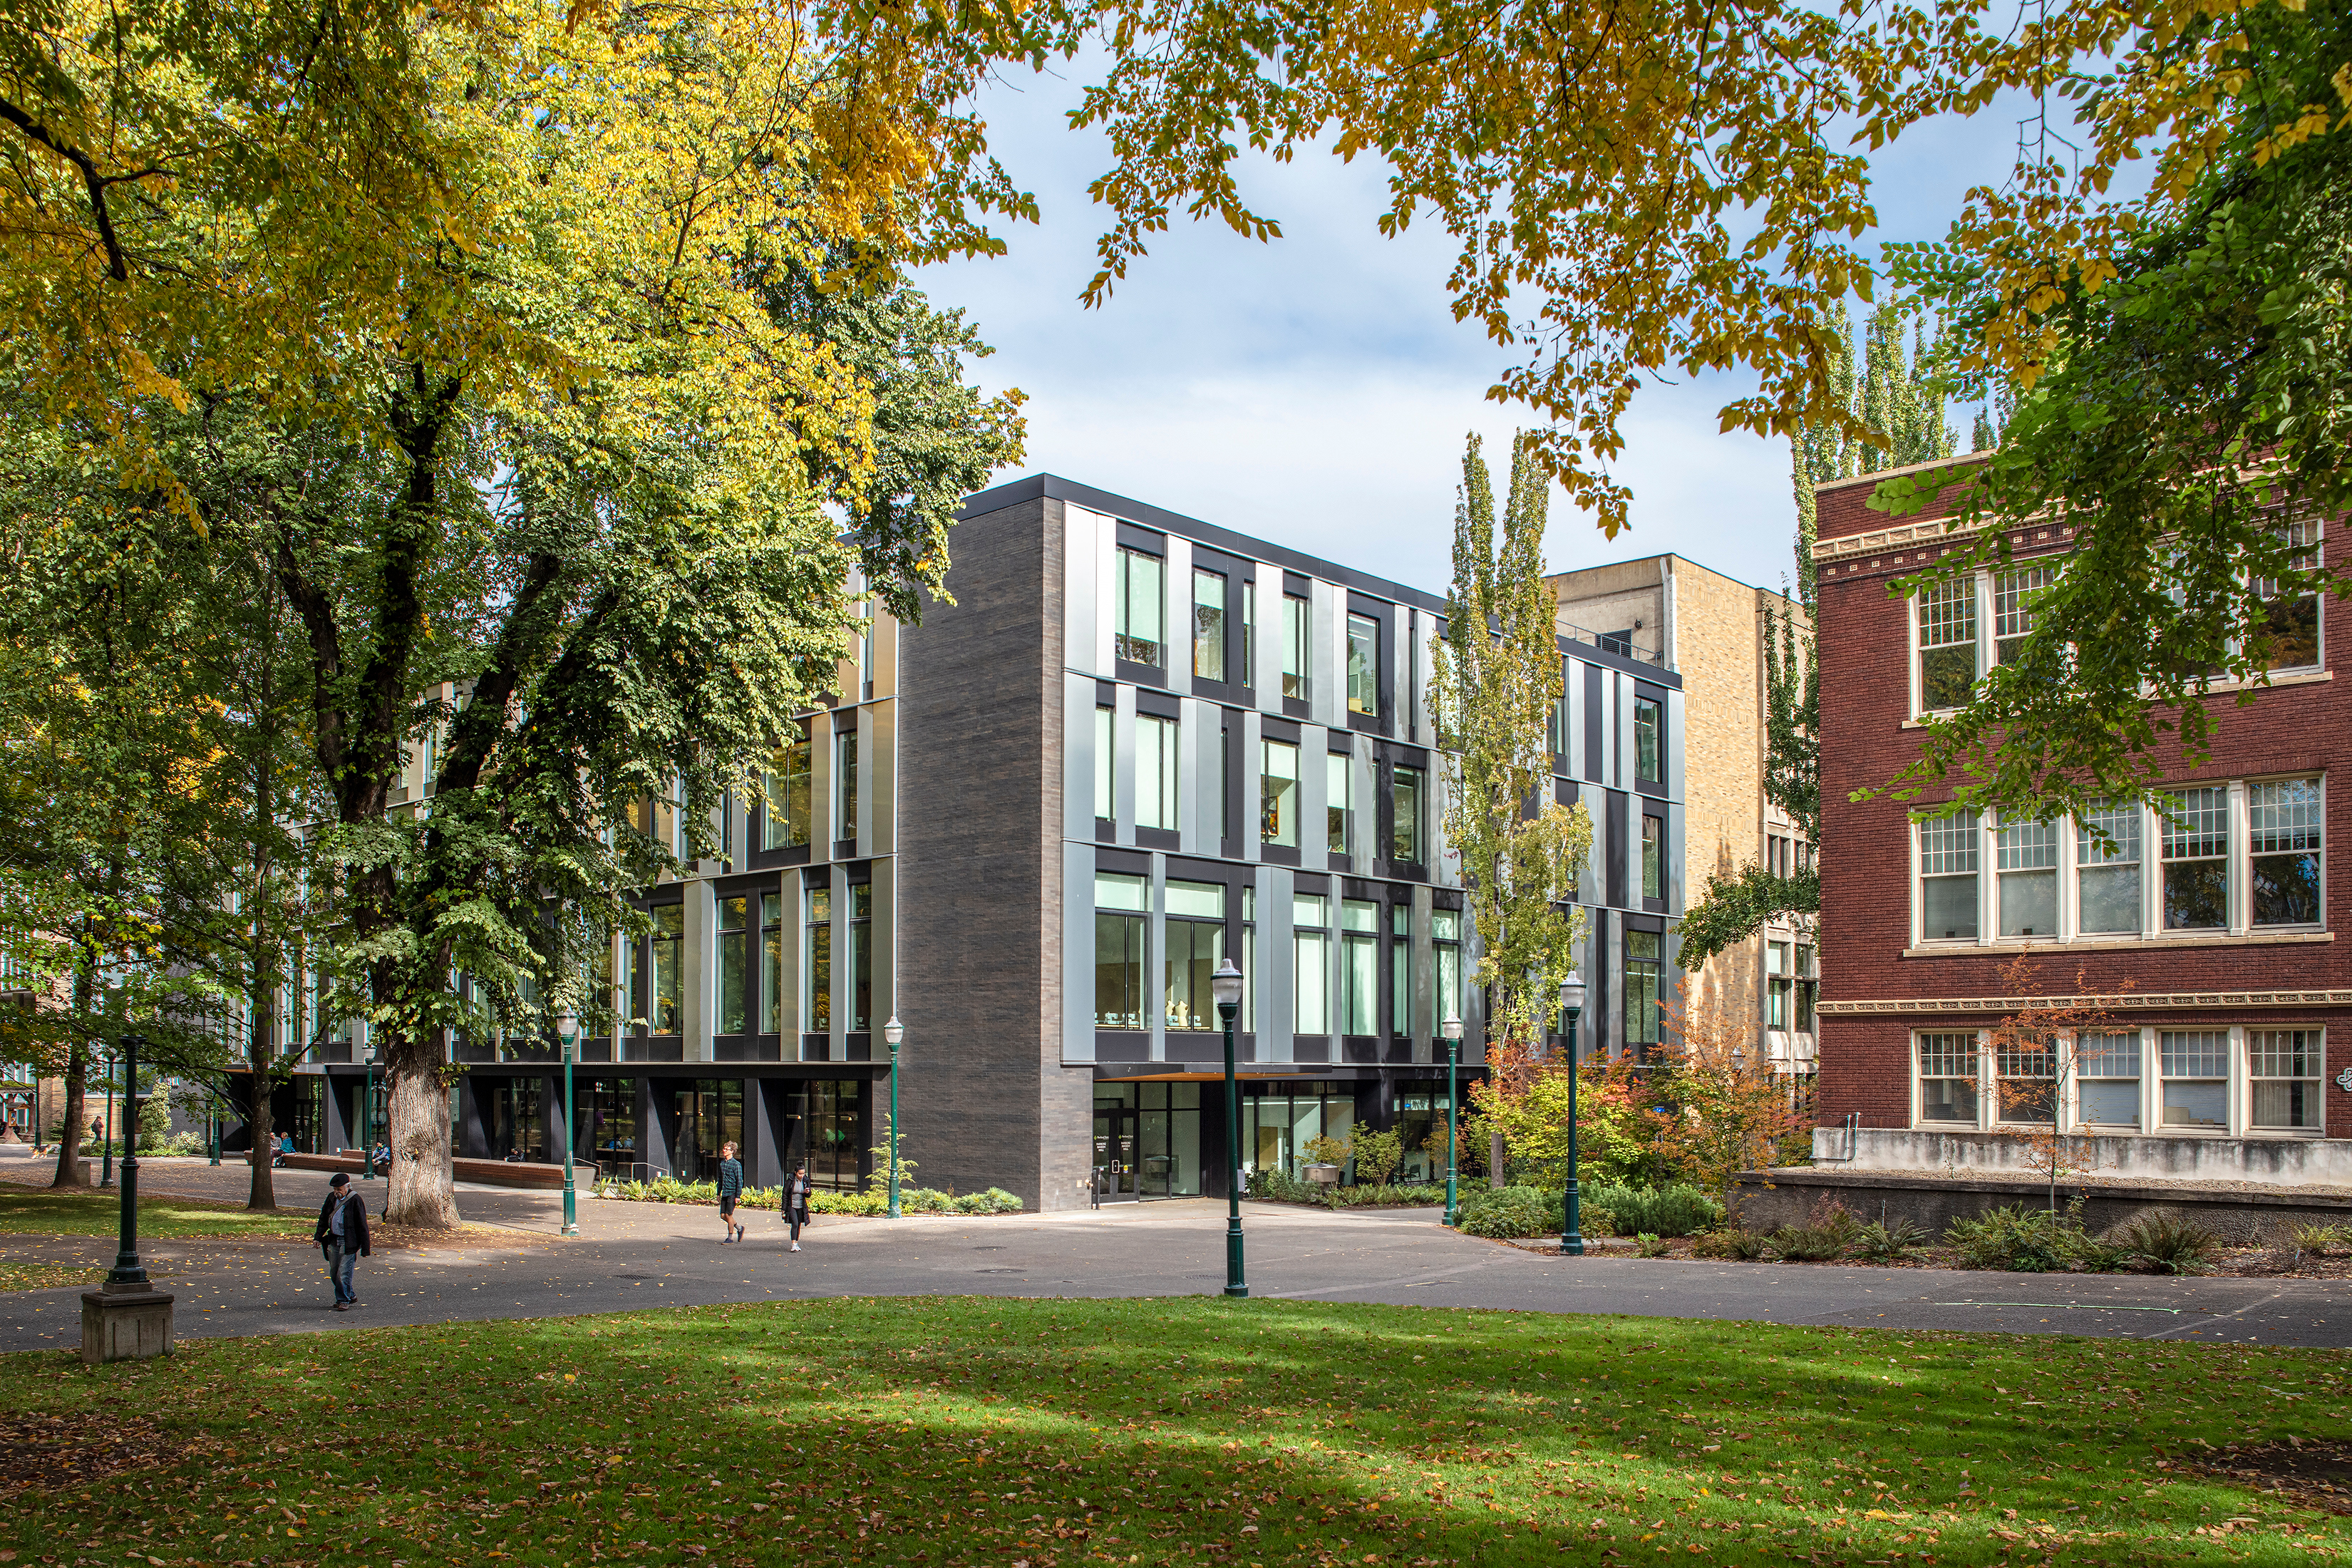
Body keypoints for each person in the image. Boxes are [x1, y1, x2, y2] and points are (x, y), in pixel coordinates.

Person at [313, 1171, 371, 1311]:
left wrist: (365, 1248)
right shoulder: (331, 1199)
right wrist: (317, 1237)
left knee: (343, 1273)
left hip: (349, 1242)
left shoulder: (355, 1199)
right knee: (334, 1273)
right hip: (333, 1240)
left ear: (348, 1187)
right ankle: (350, 1295)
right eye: (335, 1189)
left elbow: (362, 1224)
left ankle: (343, 1300)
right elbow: (324, 1218)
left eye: (339, 1189)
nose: (337, 1192)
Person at [716, 1141, 746, 1243]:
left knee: (729, 1215)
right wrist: (718, 1193)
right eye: (723, 1149)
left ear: (732, 1151)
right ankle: (739, 1227)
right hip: (725, 1192)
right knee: (723, 1216)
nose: (724, 1151)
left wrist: (738, 1196)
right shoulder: (722, 1163)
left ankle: (730, 1238)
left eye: (726, 1149)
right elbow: (720, 1179)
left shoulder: (736, 1165)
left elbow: (739, 1181)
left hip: (732, 1193)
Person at [784, 1160, 812, 1252]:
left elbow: (808, 1195)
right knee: (795, 1224)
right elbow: (785, 1195)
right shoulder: (791, 1181)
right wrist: (784, 1209)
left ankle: (796, 1243)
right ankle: (793, 1244)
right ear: (796, 1173)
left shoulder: (805, 1181)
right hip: (792, 1205)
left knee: (799, 1224)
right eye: (800, 1174)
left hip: (801, 1206)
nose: (802, 1175)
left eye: (803, 1173)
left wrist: (807, 1192)